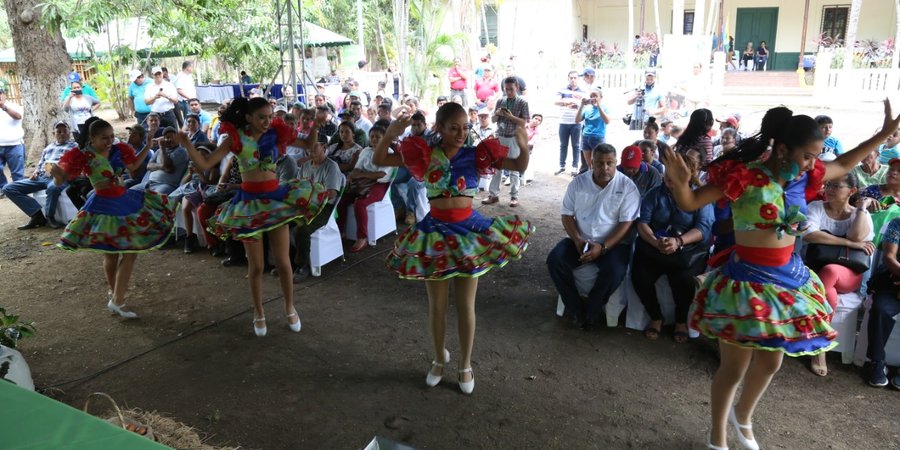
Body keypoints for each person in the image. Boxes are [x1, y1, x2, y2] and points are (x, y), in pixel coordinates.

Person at [661, 101, 900, 449]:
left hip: (788, 280)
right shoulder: (743, 176)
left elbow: (846, 162)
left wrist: (882, 134)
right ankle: (717, 436)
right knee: (734, 368)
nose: (813, 163)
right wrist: (680, 182)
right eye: (807, 155)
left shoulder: (805, 175)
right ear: (784, 148)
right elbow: (690, 202)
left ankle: (742, 417)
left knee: (772, 362)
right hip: (745, 282)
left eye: (816, 156)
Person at [373, 102, 532, 394]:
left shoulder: (475, 155)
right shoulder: (423, 155)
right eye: (453, 127)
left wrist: (523, 144)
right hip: (434, 234)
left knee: (465, 305)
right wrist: (390, 133)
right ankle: (438, 359)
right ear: (440, 128)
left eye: (463, 127)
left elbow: (518, 166)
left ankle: (465, 364)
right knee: (437, 306)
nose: (460, 133)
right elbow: (380, 158)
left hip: (470, 232)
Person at [178, 97, 325, 337]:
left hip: (276, 200)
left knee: (283, 262)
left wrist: (316, 124)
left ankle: (289, 307)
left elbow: (309, 143)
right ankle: (259, 312)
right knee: (255, 265)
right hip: (248, 204)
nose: (267, 122)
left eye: (269, 117)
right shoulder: (236, 139)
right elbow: (205, 162)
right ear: (248, 118)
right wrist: (187, 144)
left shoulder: (277, 133)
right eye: (261, 118)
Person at [54, 118, 172, 319]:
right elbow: (60, 179)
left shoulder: (119, 150)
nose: (109, 141)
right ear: (92, 138)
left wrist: (149, 143)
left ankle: (116, 296)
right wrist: (56, 173)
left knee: (127, 251)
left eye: (111, 137)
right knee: (112, 253)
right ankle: (117, 298)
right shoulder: (83, 155)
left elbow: (134, 165)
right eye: (103, 138)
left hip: (124, 200)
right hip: (103, 205)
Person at [547, 144, 641, 330]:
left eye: (609, 163)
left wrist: (604, 247)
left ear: (616, 163)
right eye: (599, 163)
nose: (604, 168)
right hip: (581, 240)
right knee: (554, 260)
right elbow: (567, 215)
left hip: (613, 244)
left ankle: (592, 311)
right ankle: (575, 308)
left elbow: (626, 224)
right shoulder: (578, 183)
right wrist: (577, 240)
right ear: (591, 162)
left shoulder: (628, 187)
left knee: (614, 271)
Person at [632, 146, 713, 343]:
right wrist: (655, 241)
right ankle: (656, 316)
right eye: (667, 171)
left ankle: (680, 322)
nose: (669, 176)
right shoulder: (654, 194)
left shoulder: (699, 196)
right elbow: (643, 222)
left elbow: (703, 229)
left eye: (675, 173)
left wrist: (678, 241)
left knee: (684, 280)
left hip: (686, 251)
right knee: (639, 275)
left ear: (687, 174)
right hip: (655, 248)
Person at [803, 171, 875, 376]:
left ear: (851, 191)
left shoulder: (860, 214)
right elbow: (809, 235)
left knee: (830, 271)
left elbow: (856, 235)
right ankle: (821, 344)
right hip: (815, 272)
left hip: (848, 274)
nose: (829, 190)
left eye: (836, 186)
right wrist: (848, 243)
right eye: (828, 185)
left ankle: (818, 346)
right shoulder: (816, 207)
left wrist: (861, 207)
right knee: (830, 292)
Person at [2, 120, 78, 229]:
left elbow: (74, 166)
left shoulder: (74, 147)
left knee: (53, 187)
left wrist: (58, 170)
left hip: (60, 177)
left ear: (69, 132)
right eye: (59, 131)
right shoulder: (48, 148)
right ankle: (36, 215)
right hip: (42, 177)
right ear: (53, 134)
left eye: (64, 131)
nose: (62, 134)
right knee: (8, 188)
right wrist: (36, 172)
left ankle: (49, 216)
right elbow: (41, 163)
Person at [291, 142, 343, 282]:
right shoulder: (305, 166)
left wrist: (311, 197)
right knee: (284, 223)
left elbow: (331, 193)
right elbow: (299, 187)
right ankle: (287, 263)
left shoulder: (331, 166)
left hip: (324, 207)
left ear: (324, 148)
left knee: (301, 230)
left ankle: (302, 266)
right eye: (309, 147)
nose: (311, 150)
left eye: (315, 147)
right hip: (306, 205)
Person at [337, 126, 393, 252]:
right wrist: (354, 175)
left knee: (360, 204)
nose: (374, 139)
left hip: (379, 184)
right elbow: (357, 167)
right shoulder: (366, 151)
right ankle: (341, 232)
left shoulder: (388, 153)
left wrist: (361, 174)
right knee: (342, 200)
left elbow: (381, 174)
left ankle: (362, 237)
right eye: (372, 136)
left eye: (378, 137)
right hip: (362, 182)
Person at [483, 77, 529, 207]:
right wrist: (497, 114)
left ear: (517, 88)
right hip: (500, 136)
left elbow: (524, 122)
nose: (508, 92)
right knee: (497, 167)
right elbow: (492, 120)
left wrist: (509, 116)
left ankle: (514, 196)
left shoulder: (522, 102)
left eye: (511, 89)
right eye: (506, 89)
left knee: (514, 168)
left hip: (514, 138)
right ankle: (493, 195)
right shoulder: (501, 100)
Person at [865, 217, 900, 388]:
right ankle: (877, 361)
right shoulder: (898, 223)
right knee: (880, 309)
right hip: (893, 281)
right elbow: (889, 257)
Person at [132, 127, 189, 195]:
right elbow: (149, 166)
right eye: (167, 137)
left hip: (166, 185)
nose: (170, 139)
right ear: (164, 139)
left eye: (174, 137)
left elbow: (166, 164)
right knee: (129, 192)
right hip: (149, 182)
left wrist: (162, 148)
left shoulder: (181, 151)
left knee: (155, 199)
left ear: (178, 139)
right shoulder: (159, 151)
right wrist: (161, 166)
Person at [555, 71, 584, 176]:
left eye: (575, 78)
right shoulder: (562, 90)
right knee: (563, 145)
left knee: (576, 145)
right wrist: (565, 102)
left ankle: (574, 167)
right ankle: (561, 166)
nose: (573, 80)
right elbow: (555, 101)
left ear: (578, 79)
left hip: (576, 122)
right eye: (571, 78)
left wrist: (576, 104)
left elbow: (584, 105)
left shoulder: (582, 92)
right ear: (568, 78)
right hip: (563, 121)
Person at [574, 88, 610, 172]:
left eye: (595, 96)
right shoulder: (587, 109)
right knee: (589, 165)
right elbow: (577, 120)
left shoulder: (605, 108)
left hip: (598, 138)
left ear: (601, 97)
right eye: (591, 96)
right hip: (586, 138)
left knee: (598, 163)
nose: (593, 98)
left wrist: (599, 106)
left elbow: (607, 121)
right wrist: (582, 105)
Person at [0, 80, 25, 192]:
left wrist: (3, 107)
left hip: (15, 145)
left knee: (17, 172)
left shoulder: (14, 106)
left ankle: (18, 191)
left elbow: (18, 116)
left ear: (4, 94)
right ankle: (3, 188)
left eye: (0, 93)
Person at [174, 61, 197, 127]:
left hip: (189, 100)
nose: (193, 68)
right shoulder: (181, 76)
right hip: (186, 101)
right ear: (188, 68)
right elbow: (179, 90)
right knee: (189, 119)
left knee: (191, 118)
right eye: (192, 67)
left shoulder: (188, 76)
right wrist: (190, 98)